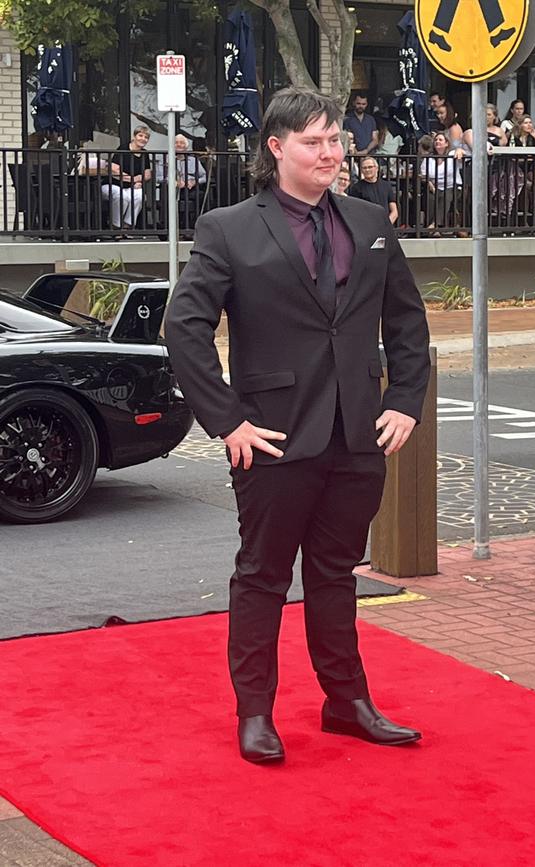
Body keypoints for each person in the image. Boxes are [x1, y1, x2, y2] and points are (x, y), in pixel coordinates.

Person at [164, 87, 430, 764]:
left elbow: (405, 320)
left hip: (357, 434)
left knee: (338, 572)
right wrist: (227, 420)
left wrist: (403, 399)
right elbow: (184, 328)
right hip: (273, 435)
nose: (331, 153)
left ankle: (347, 702)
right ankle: (255, 712)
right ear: (277, 148)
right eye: (314, 142)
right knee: (262, 575)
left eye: (336, 140)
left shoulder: (369, 220)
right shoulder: (228, 228)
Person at [102, 126, 152, 231]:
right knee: (122, 196)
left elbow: (147, 174)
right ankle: (115, 225)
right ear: (134, 136)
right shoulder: (123, 149)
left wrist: (137, 180)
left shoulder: (145, 154)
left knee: (139, 196)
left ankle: (127, 225)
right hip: (112, 185)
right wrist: (134, 179)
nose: (143, 139)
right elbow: (115, 170)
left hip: (130, 187)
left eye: (146, 137)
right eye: (140, 135)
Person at [349, 156, 399, 224]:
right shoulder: (356, 188)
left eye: (370, 167)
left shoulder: (386, 185)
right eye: (364, 168)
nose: (367, 170)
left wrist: (387, 225)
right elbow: (355, 212)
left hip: (385, 226)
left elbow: (394, 211)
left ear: (376, 168)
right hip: (367, 226)